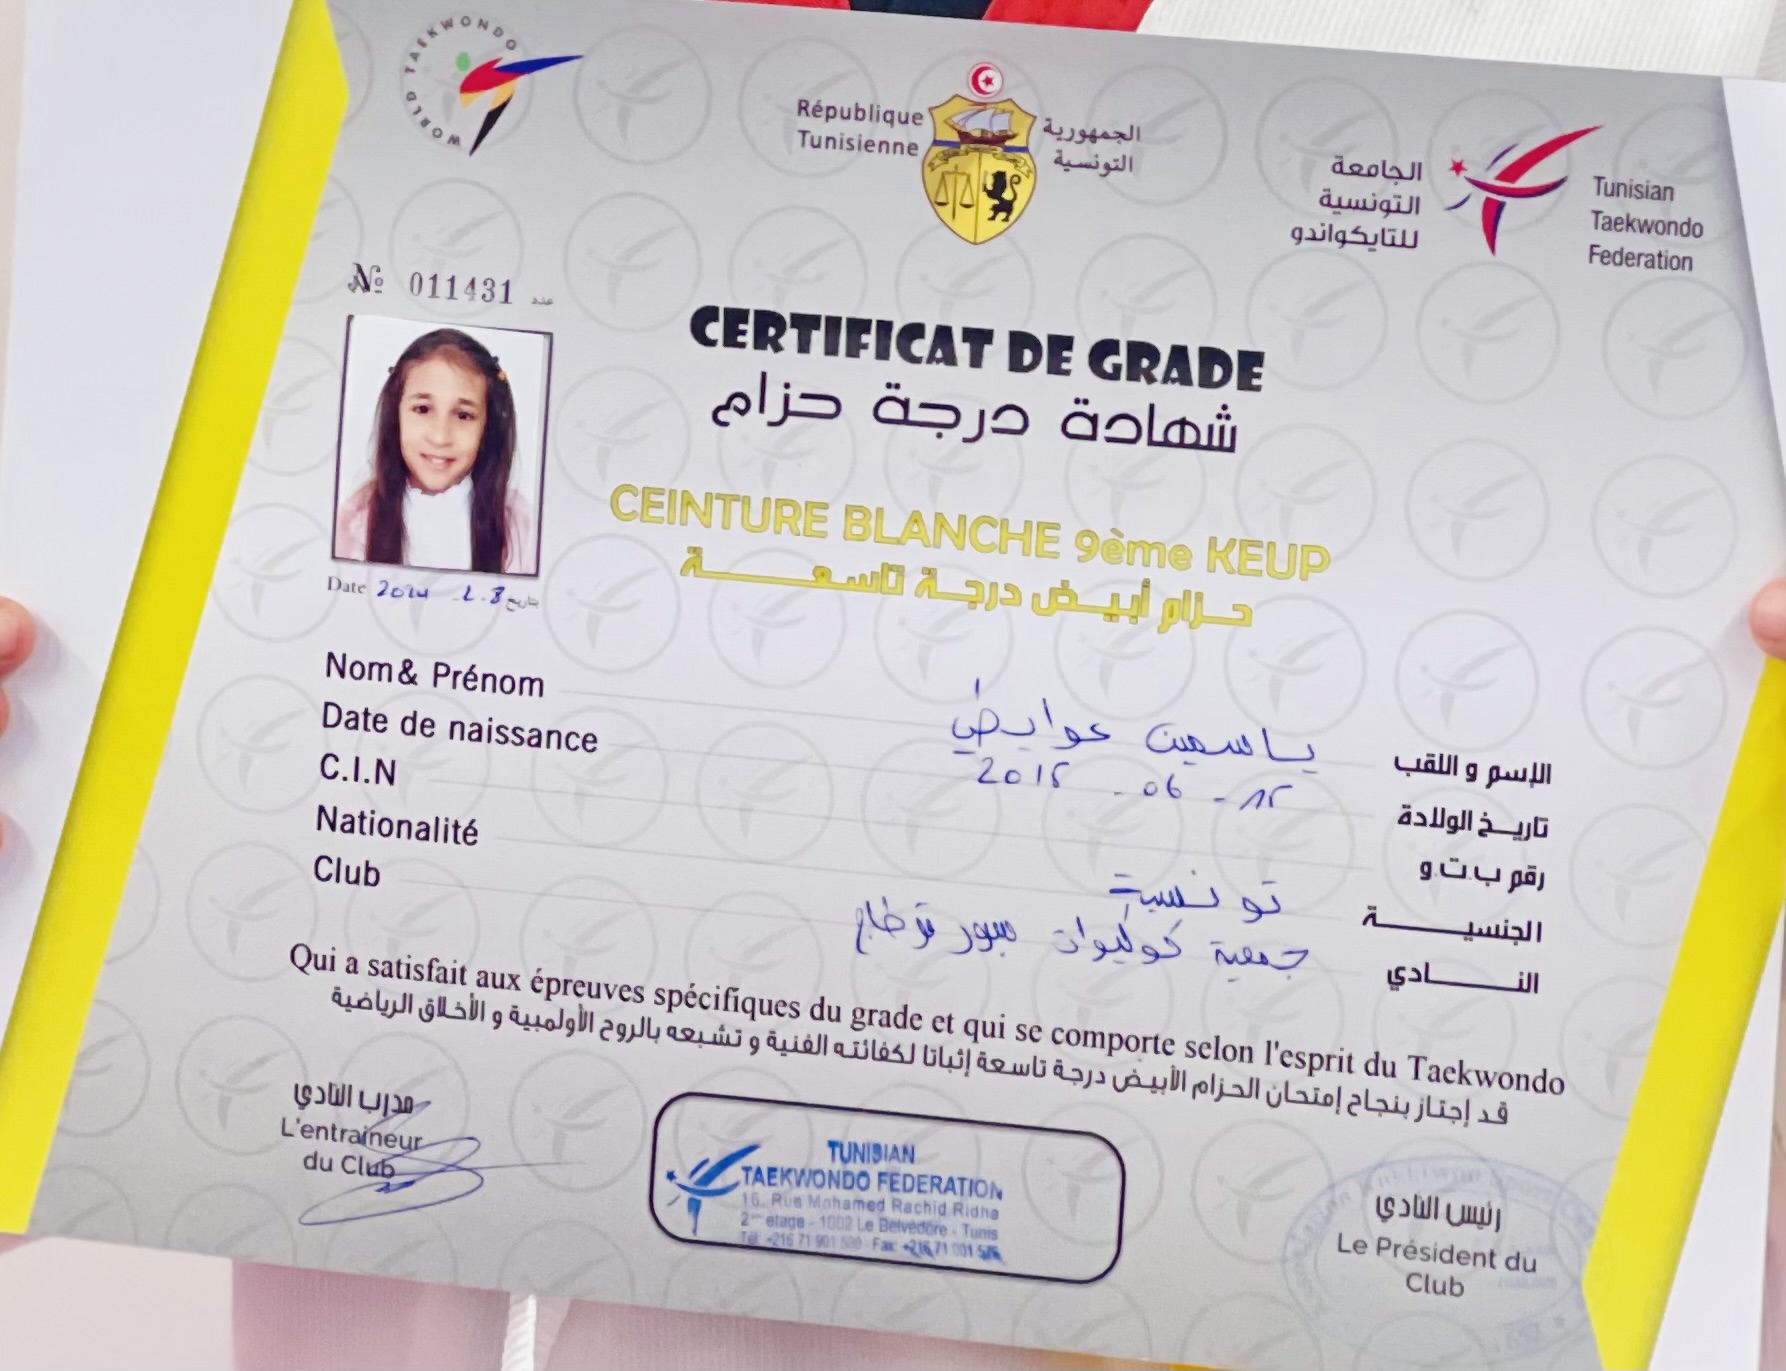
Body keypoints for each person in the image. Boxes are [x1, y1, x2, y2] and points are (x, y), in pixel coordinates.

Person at [334, 327, 536, 576]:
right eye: (422, 409)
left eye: (463, 415)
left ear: (488, 426)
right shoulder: (354, 523)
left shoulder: (520, 528)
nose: (440, 437)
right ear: (395, 415)